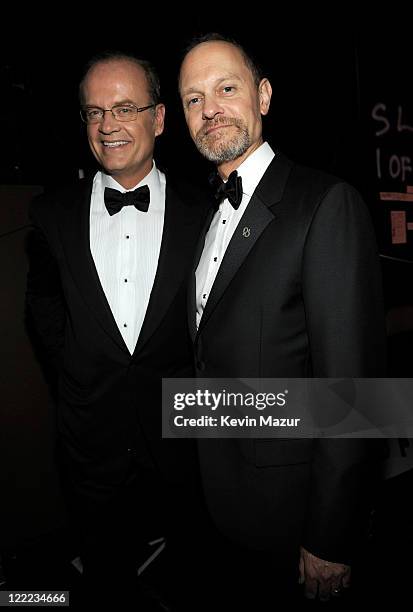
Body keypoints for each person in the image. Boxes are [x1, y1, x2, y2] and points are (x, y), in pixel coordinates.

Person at [178, 34, 386, 605]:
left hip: (294, 524)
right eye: (194, 99)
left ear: (263, 96)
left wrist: (331, 535)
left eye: (226, 88)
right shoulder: (201, 216)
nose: (211, 107)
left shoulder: (326, 204)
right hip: (218, 507)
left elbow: (359, 391)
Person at [26, 51, 207, 607]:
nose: (107, 125)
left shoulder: (205, 213)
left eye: (124, 108)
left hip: (183, 443)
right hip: (90, 443)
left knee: (192, 576)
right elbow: (44, 312)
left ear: (158, 119)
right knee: (106, 583)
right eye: (94, 112)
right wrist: (77, 380)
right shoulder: (50, 214)